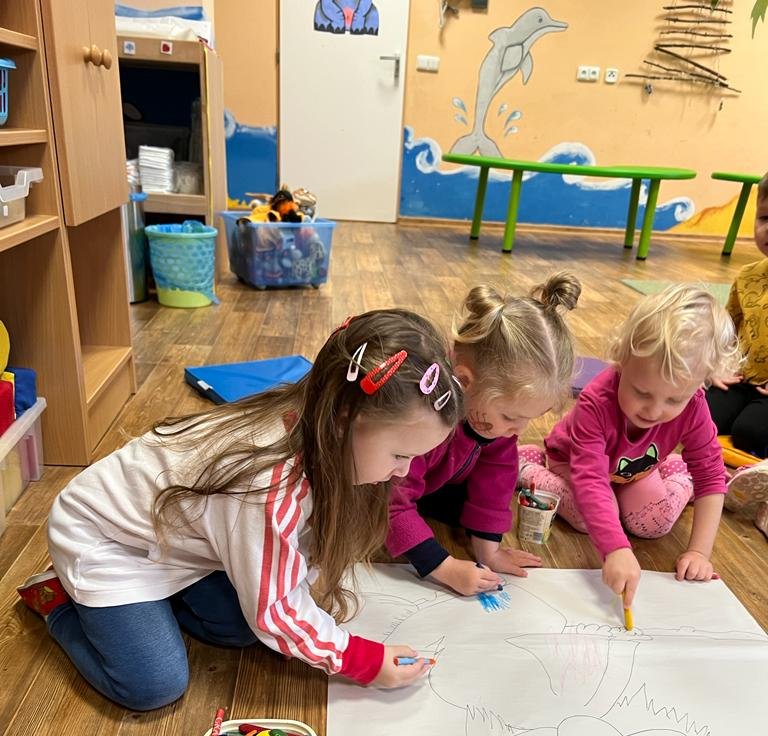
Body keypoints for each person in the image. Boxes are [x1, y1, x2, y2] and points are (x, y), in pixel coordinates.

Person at [16, 310, 461, 709]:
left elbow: (282, 575)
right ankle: (58, 600)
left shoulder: (316, 423)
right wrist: (362, 659)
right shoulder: (266, 484)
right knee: (154, 685)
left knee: (240, 629)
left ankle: (146, 609)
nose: (404, 472)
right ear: (344, 421)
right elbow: (277, 610)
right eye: (400, 455)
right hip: (106, 540)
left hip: (174, 540)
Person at [518, 285, 740, 607]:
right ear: (621, 361)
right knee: (586, 519)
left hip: (633, 469)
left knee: (653, 524)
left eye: (674, 400)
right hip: (573, 461)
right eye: (642, 392)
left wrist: (699, 552)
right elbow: (591, 479)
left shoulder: (694, 405)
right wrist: (616, 549)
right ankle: (527, 466)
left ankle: (677, 474)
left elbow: (711, 474)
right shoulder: (596, 402)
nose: (654, 411)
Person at [387, 274, 579, 596]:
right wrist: (444, 567)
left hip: (438, 482)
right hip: (386, 487)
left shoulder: (490, 419)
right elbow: (389, 502)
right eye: (510, 417)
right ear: (464, 381)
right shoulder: (420, 418)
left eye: (530, 419)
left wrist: (489, 552)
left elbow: (496, 479)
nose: (520, 430)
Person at [705, 170, 768, 460]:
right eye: (764, 218)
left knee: (749, 433)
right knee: (700, 415)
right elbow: (727, 330)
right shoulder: (747, 276)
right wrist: (717, 367)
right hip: (742, 378)